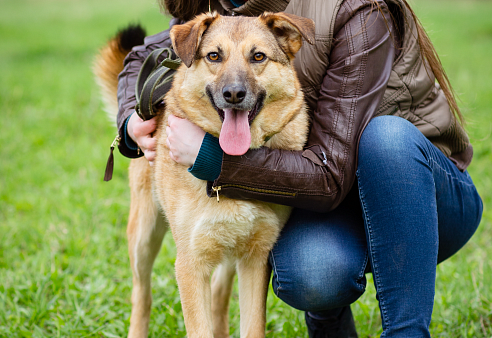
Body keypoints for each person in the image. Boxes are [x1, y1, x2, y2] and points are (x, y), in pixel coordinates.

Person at [116, 0, 483, 336]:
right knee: (313, 271)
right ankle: (329, 328)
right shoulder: (227, 12)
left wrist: (213, 158)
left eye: (258, 57)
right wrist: (130, 121)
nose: (233, 83)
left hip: (420, 192)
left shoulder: (357, 9)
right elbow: (142, 54)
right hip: (325, 200)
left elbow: (330, 172)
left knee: (385, 139)